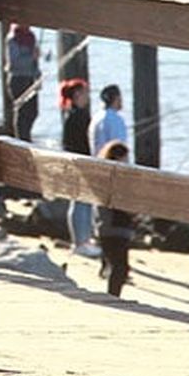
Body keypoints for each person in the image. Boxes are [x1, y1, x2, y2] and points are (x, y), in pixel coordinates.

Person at [61, 78, 101, 258]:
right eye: (85, 93)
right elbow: (83, 142)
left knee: (79, 201)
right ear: (77, 95)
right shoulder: (79, 116)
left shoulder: (72, 115)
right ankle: (81, 242)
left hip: (74, 163)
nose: (87, 97)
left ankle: (81, 240)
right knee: (81, 202)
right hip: (80, 163)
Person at [95, 139, 136, 296]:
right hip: (115, 228)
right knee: (120, 268)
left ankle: (112, 295)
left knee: (118, 266)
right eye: (125, 158)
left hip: (108, 228)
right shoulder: (116, 179)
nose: (128, 162)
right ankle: (112, 297)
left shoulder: (105, 176)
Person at [6, 23, 40, 140]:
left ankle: (27, 136)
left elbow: (34, 63)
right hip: (18, 79)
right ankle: (21, 138)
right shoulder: (12, 39)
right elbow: (14, 63)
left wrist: (37, 76)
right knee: (22, 113)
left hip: (30, 79)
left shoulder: (31, 37)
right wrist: (32, 56)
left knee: (33, 112)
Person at [90, 83, 128, 151]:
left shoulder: (95, 118)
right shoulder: (116, 120)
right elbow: (119, 146)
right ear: (117, 98)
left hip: (96, 159)